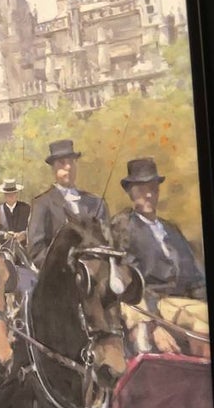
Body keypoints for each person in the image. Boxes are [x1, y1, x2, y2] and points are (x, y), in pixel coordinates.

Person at [110, 158, 206, 355]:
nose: (148, 195)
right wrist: (154, 324)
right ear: (130, 192)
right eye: (141, 189)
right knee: (201, 328)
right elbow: (129, 282)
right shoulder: (123, 226)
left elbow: (196, 279)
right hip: (152, 304)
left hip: (183, 303)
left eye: (153, 188)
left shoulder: (171, 230)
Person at [27, 139, 109, 269]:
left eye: (71, 162)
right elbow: (36, 250)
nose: (68, 167)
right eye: (62, 163)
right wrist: (62, 267)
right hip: (61, 278)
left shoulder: (95, 203)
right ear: (53, 168)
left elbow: (107, 243)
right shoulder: (42, 204)